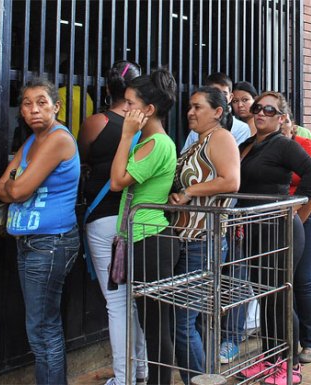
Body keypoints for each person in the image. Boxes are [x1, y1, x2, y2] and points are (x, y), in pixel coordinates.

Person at [0, 78, 80, 384]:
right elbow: (2, 188)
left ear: (56, 107)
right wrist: (16, 183)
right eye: (27, 103)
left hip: (49, 243)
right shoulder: (32, 141)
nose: (33, 109)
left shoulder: (58, 138)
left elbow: (16, 190)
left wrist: (16, 182)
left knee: (43, 329)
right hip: (32, 243)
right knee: (41, 328)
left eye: (42, 102)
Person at [237, 91, 311, 384]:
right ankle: (270, 357)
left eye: (269, 110)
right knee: (264, 296)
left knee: (280, 297)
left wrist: (295, 206)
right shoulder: (248, 144)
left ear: (282, 117)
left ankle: (290, 365)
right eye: (258, 108)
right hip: (254, 227)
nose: (261, 113)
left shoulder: (284, 145)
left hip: (280, 228)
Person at [77, 60, 148, 385]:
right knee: (134, 300)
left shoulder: (97, 122)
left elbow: (84, 157)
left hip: (103, 217)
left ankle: (123, 379)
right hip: (137, 218)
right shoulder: (147, 126)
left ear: (107, 89)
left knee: (117, 304)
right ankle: (142, 369)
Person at [109, 68, 180, 385]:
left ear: (148, 110)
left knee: (156, 326)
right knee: (151, 323)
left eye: (129, 103)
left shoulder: (158, 144)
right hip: (141, 238)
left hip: (151, 240)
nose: (124, 109)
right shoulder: (148, 140)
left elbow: (117, 181)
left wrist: (125, 136)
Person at [169, 86, 241, 384]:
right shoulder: (198, 141)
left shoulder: (221, 138)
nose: (190, 112)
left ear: (218, 112)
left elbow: (231, 180)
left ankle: (199, 381)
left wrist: (189, 192)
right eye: (190, 106)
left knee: (182, 321)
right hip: (188, 238)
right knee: (192, 319)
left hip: (204, 239)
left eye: (198, 107)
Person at [281, 113, 311, 364]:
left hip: (308, 216)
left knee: (303, 279)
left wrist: (298, 219)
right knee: (281, 280)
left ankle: (310, 341)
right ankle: (285, 340)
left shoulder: (302, 143)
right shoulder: (264, 145)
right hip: (279, 219)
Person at [182, 73, 251, 151]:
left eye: (224, 93)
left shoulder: (241, 128)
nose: (220, 96)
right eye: (216, 92)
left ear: (231, 97)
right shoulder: (196, 129)